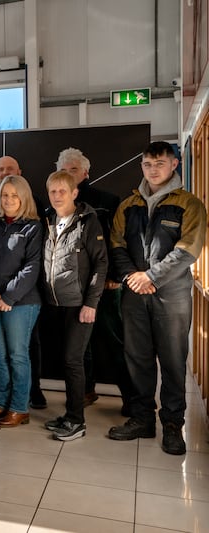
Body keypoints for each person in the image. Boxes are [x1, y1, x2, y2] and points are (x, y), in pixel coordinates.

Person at [108, 141, 207, 455]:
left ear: (174, 164)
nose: (153, 170)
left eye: (160, 164)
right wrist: (133, 278)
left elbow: (187, 250)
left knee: (173, 361)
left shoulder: (189, 204)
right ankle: (142, 420)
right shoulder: (129, 204)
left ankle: (173, 425)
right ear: (142, 166)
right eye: (148, 165)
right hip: (135, 294)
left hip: (172, 295)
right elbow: (117, 246)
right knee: (137, 358)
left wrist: (150, 276)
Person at [55, 147, 133, 412]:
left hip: (106, 286)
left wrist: (113, 277)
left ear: (86, 173)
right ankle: (85, 391)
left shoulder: (108, 201)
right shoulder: (56, 207)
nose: (68, 175)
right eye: (63, 170)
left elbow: (118, 242)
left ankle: (132, 399)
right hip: (73, 289)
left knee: (115, 341)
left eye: (73, 170)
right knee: (79, 348)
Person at [0, 156, 47, 409]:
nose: (8, 200)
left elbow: (32, 267)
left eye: (14, 196)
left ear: (23, 197)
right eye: (4, 195)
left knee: (17, 356)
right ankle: (2, 403)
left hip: (22, 302)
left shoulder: (33, 227)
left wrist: (7, 297)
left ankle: (18, 407)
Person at [40, 170, 108, 441]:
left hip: (79, 304)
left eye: (62, 191)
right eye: (53, 191)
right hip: (54, 304)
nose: (57, 196)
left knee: (73, 361)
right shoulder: (48, 219)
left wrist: (91, 303)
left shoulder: (88, 222)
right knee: (65, 361)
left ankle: (77, 421)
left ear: (74, 193)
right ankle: (69, 414)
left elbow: (101, 264)